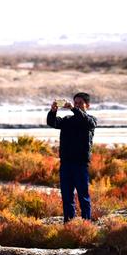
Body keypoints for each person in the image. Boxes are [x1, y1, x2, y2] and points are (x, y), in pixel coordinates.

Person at [47, 92, 97, 223]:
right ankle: (69, 224)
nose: (77, 105)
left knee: (83, 196)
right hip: (66, 164)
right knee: (67, 197)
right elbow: (52, 123)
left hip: (80, 164)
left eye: (80, 103)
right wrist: (53, 111)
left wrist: (73, 109)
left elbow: (86, 121)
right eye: (76, 103)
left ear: (88, 105)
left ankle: (86, 224)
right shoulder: (68, 120)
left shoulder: (90, 120)